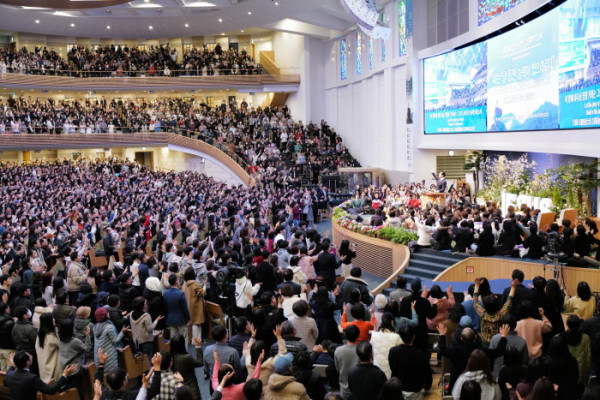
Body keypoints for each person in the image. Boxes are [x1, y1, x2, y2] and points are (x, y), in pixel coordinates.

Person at [4, 350, 78, 400]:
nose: (31, 356)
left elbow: (5, 382)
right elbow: (51, 390)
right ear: (27, 362)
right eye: (30, 356)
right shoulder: (32, 378)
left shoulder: (10, 375)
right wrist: (64, 375)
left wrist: (13, 365)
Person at [388, 324, 433, 400]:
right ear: (414, 337)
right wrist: (426, 387)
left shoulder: (393, 351)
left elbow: (392, 367)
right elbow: (427, 375)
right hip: (415, 390)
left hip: (398, 389)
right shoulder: (421, 355)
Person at [399, 278, 437, 354]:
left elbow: (401, 314)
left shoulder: (404, 300)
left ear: (411, 288)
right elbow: (431, 315)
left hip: (407, 332)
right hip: (421, 333)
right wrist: (435, 305)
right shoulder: (425, 301)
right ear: (420, 289)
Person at [129, 296, 163, 362]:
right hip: (146, 341)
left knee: (140, 360)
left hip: (136, 341)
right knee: (147, 360)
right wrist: (156, 321)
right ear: (143, 305)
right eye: (145, 303)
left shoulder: (131, 314)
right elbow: (150, 328)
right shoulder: (146, 316)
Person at [93, 307, 125, 372]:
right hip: (109, 358)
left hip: (99, 358)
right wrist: (122, 332)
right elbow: (115, 340)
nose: (108, 313)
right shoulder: (109, 327)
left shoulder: (95, 327)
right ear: (105, 316)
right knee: (113, 374)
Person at [334, 325, 361, 400]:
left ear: (345, 335)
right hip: (358, 387)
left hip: (344, 387)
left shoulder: (338, 350)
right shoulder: (361, 350)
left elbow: (337, 368)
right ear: (358, 335)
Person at [182, 267, 206, 345]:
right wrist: (205, 284)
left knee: (190, 324)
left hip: (188, 305)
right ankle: (196, 341)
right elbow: (202, 293)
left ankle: (191, 340)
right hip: (196, 306)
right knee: (197, 323)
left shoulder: (185, 284)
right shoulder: (195, 284)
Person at [163, 274, 191, 340]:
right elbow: (185, 308)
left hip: (170, 319)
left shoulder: (165, 293)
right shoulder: (181, 293)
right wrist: (188, 319)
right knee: (183, 339)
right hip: (181, 320)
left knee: (174, 340)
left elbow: (165, 307)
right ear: (176, 281)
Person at [35, 313, 61, 383]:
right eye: (52, 319)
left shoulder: (40, 334)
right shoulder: (51, 336)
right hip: (53, 365)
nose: (54, 320)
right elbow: (61, 346)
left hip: (43, 364)